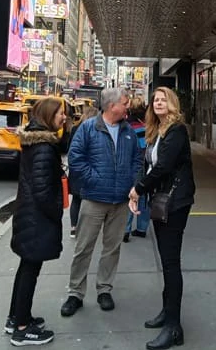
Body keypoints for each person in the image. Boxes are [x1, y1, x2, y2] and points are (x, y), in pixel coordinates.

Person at [60, 88, 141, 317]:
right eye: (125, 103)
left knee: (112, 248)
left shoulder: (128, 131)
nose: (128, 106)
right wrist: (94, 180)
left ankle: (104, 289)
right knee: (84, 247)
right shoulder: (88, 128)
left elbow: (137, 159)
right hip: (94, 199)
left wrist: (133, 183)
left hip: (120, 201)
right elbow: (75, 158)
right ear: (111, 105)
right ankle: (75, 293)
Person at [129, 87, 195, 350]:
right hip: (160, 202)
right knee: (167, 260)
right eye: (155, 100)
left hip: (175, 204)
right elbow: (147, 165)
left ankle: (173, 327)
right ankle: (167, 314)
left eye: (163, 99)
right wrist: (138, 189)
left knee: (170, 263)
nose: (158, 103)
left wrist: (137, 190)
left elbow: (164, 166)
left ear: (172, 104)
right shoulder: (156, 132)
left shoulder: (176, 130)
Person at [6, 97, 67, 346]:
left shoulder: (37, 141)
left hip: (29, 216)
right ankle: (22, 329)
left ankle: (17, 318)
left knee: (26, 268)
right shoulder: (43, 146)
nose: (64, 117)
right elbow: (43, 190)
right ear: (49, 115)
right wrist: (56, 211)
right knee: (30, 269)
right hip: (37, 218)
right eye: (61, 113)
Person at [67, 104, 98, 239]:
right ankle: (87, 229)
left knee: (76, 199)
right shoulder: (96, 129)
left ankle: (73, 227)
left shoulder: (75, 128)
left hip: (76, 169)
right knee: (89, 200)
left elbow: (70, 148)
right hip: (91, 168)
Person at [123, 97, 149, 242]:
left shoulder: (127, 125)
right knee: (144, 195)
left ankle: (125, 229)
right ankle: (141, 228)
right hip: (146, 164)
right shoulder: (148, 124)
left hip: (131, 164)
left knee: (131, 194)